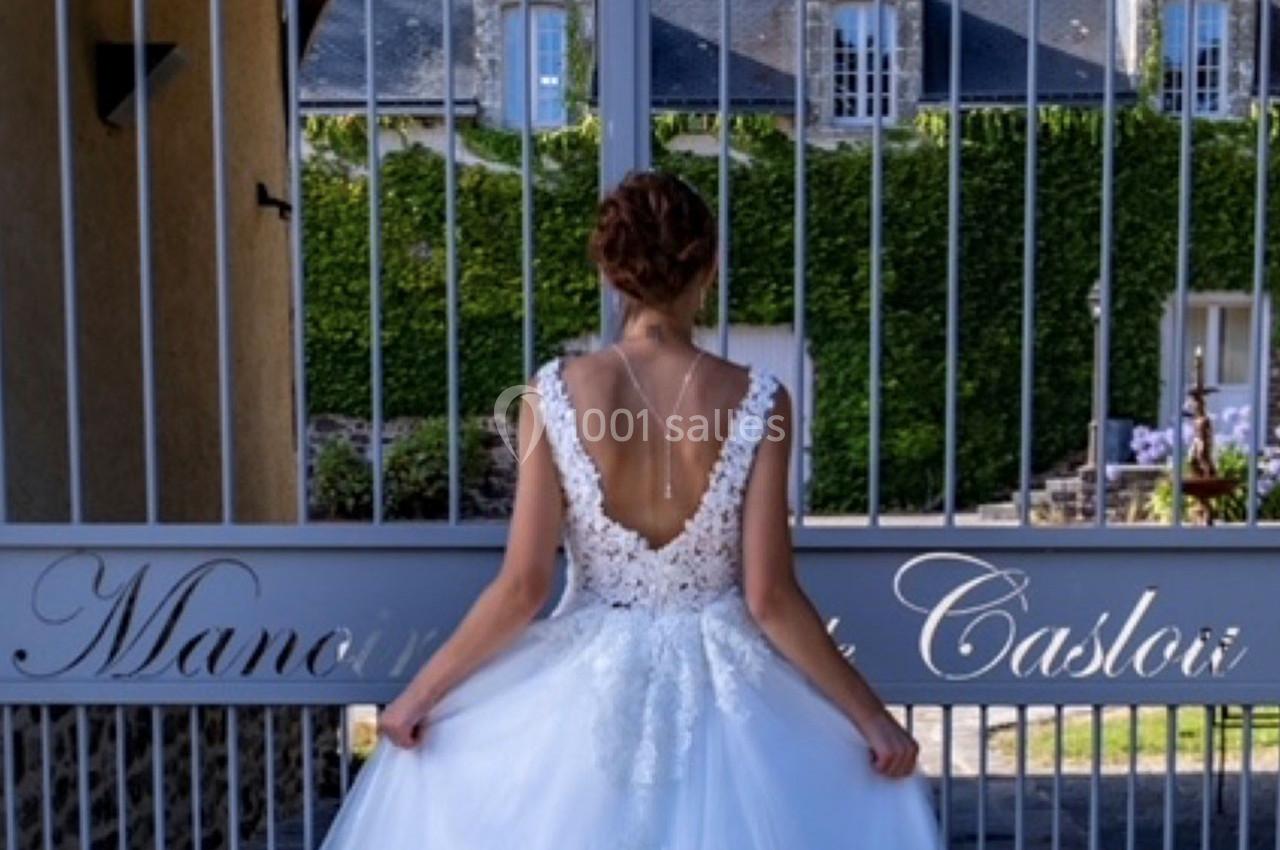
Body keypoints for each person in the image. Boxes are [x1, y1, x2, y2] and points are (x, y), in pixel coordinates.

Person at [317, 171, 940, 850]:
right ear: (709, 265)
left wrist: (419, 696)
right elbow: (770, 597)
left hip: (587, 693)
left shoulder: (551, 394)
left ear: (613, 271)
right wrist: (872, 720)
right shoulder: (759, 398)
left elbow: (523, 586)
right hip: (727, 700)